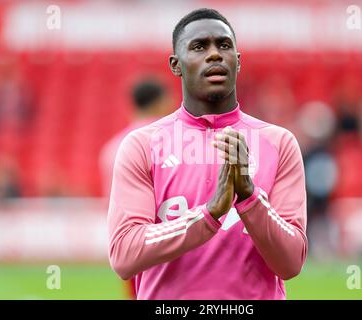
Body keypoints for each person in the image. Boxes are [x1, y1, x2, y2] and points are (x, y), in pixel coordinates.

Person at [107, 8, 307, 299]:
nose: (214, 54)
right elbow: (124, 255)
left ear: (238, 62)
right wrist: (209, 214)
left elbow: (291, 262)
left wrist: (250, 198)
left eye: (224, 45)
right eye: (199, 46)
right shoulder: (142, 145)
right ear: (176, 65)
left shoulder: (279, 143)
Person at [100, 78, 171, 298]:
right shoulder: (169, 140)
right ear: (160, 102)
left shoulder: (113, 146)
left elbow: (110, 199)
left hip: (128, 238)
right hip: (165, 236)